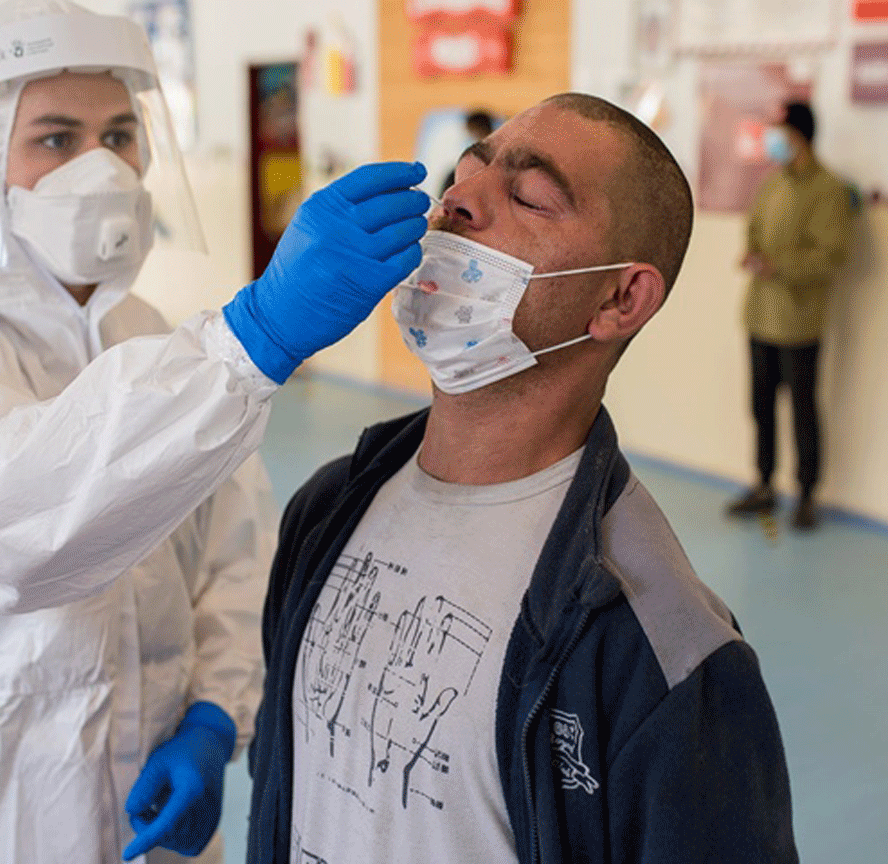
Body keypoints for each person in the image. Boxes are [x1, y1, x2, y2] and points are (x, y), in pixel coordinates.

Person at [0, 2, 428, 863]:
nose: (101, 167)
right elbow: (6, 528)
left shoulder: (156, 341)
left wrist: (216, 715)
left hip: (156, 788)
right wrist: (249, 341)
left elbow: (233, 551)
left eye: (119, 134)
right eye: (57, 139)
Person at [246, 93, 797, 864]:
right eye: (463, 176)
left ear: (621, 297)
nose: (458, 202)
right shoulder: (326, 509)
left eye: (529, 197)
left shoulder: (665, 652)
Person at [727, 101, 854, 531]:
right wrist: (753, 253)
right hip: (761, 315)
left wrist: (778, 265)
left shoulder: (829, 189)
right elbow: (755, 227)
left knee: (802, 409)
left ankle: (806, 494)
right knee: (761, 406)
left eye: (780, 132)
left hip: (799, 322)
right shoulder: (773, 183)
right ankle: (763, 485)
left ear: (800, 135)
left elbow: (832, 255)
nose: (773, 141)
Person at [439, 108, 494, 195]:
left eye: (477, 134)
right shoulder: (454, 176)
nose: (472, 142)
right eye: (470, 135)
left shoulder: (498, 176)